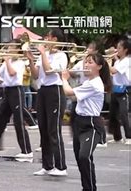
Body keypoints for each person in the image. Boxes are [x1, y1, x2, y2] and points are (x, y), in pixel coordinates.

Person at [62, 53, 111, 191]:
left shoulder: (95, 83)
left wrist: (64, 78)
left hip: (91, 124)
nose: (86, 65)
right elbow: (74, 98)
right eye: (86, 62)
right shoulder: (88, 82)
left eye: (90, 62)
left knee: (84, 156)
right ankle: (87, 187)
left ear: (99, 66)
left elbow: (68, 92)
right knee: (80, 159)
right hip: (79, 121)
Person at [26, 29, 68, 176]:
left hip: (55, 91)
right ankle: (47, 165)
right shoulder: (44, 55)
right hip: (43, 90)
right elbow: (36, 75)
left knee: (53, 130)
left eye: (48, 36)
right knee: (43, 128)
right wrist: (31, 59)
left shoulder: (62, 56)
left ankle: (61, 166)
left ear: (55, 39)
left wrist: (43, 54)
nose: (45, 39)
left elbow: (49, 71)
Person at [0, 40, 33, 158]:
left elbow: (12, 73)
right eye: (8, 46)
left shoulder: (20, 62)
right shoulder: (6, 62)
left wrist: (7, 61)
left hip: (16, 91)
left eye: (11, 47)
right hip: (7, 91)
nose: (8, 49)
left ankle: (26, 151)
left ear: (17, 49)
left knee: (18, 121)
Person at [108, 39, 131, 145]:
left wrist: (105, 62)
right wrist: (112, 58)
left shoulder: (127, 61)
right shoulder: (117, 61)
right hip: (115, 89)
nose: (117, 50)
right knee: (113, 114)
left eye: (119, 48)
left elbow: (113, 70)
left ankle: (129, 136)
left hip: (124, 89)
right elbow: (112, 73)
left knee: (123, 114)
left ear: (125, 50)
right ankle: (117, 137)